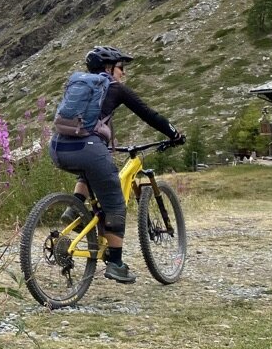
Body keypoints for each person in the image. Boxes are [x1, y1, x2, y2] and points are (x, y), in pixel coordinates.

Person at [49, 46, 182, 284]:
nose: (123, 74)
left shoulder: (80, 85)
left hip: (58, 147)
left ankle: (74, 209)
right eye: (122, 68)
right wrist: (174, 133)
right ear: (109, 68)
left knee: (91, 172)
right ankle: (116, 263)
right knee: (115, 204)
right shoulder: (113, 88)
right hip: (87, 149)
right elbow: (149, 114)